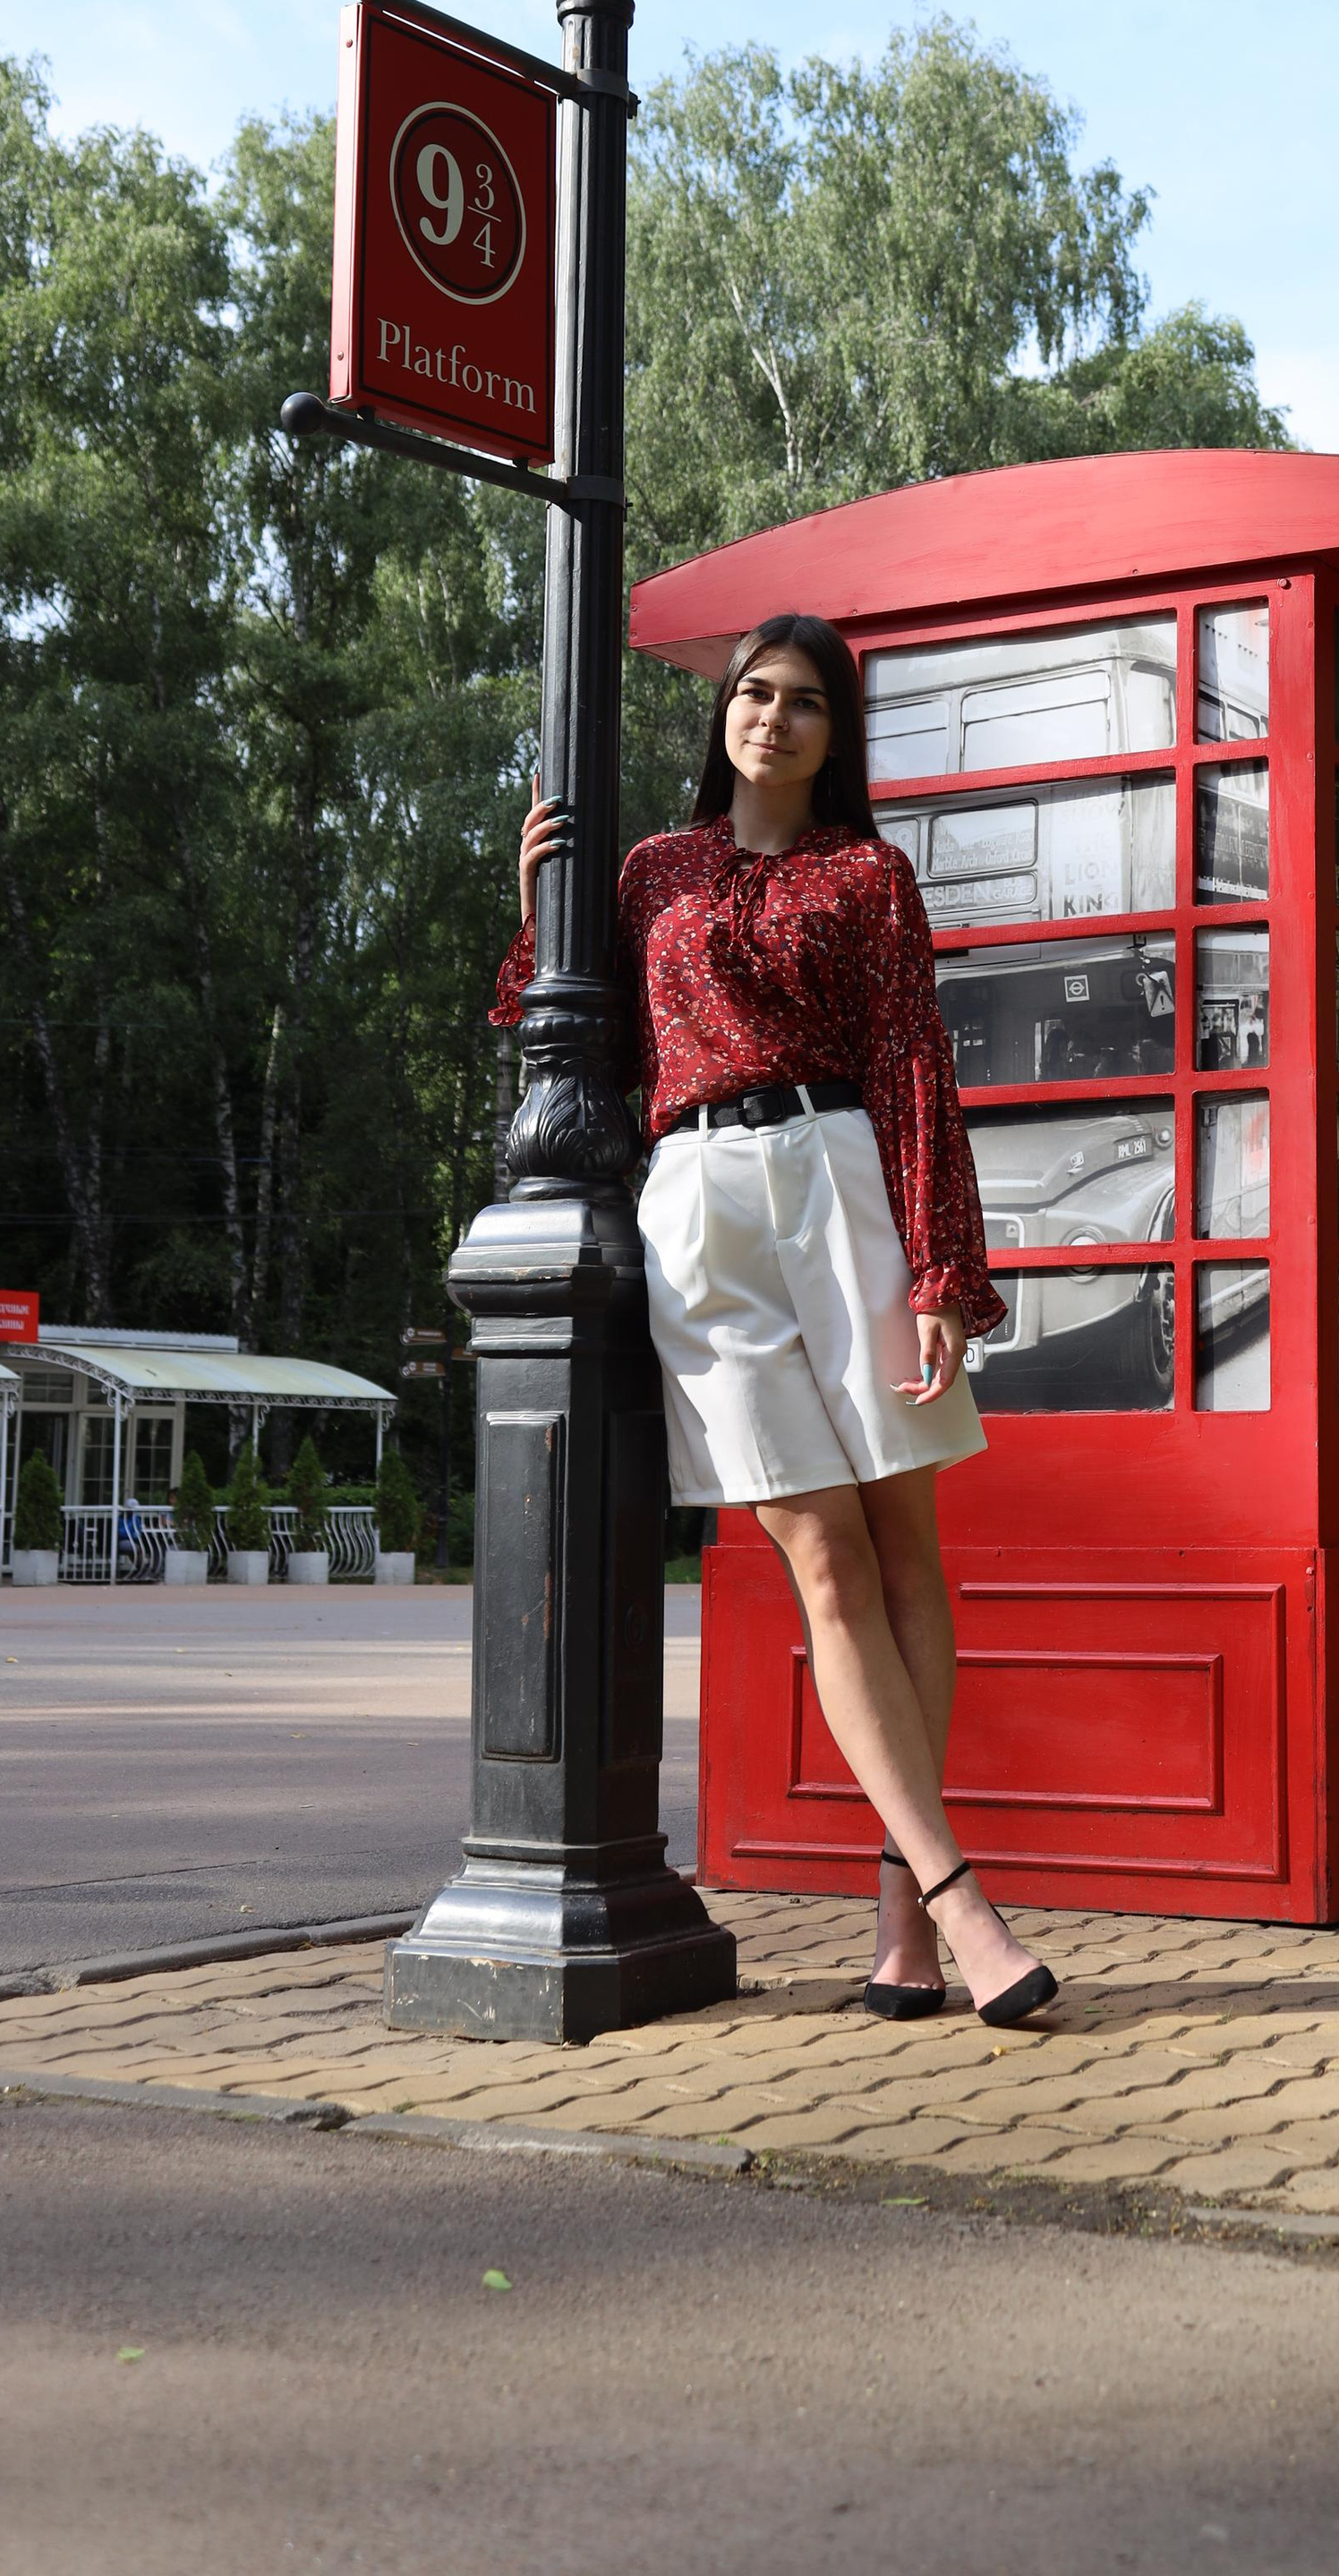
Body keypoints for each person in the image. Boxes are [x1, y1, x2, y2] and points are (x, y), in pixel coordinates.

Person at [495, 612, 1057, 2029]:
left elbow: (913, 1063)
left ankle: (907, 1926)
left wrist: (943, 1271)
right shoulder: (651, 872)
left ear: (834, 731)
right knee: (821, 1554)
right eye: (754, 693)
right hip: (699, 1207)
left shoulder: (868, 874)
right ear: (726, 714)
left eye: (805, 700)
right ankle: (961, 1902)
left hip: (842, 1182)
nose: (773, 717)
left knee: (904, 1547)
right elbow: (574, 1038)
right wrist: (539, 909)